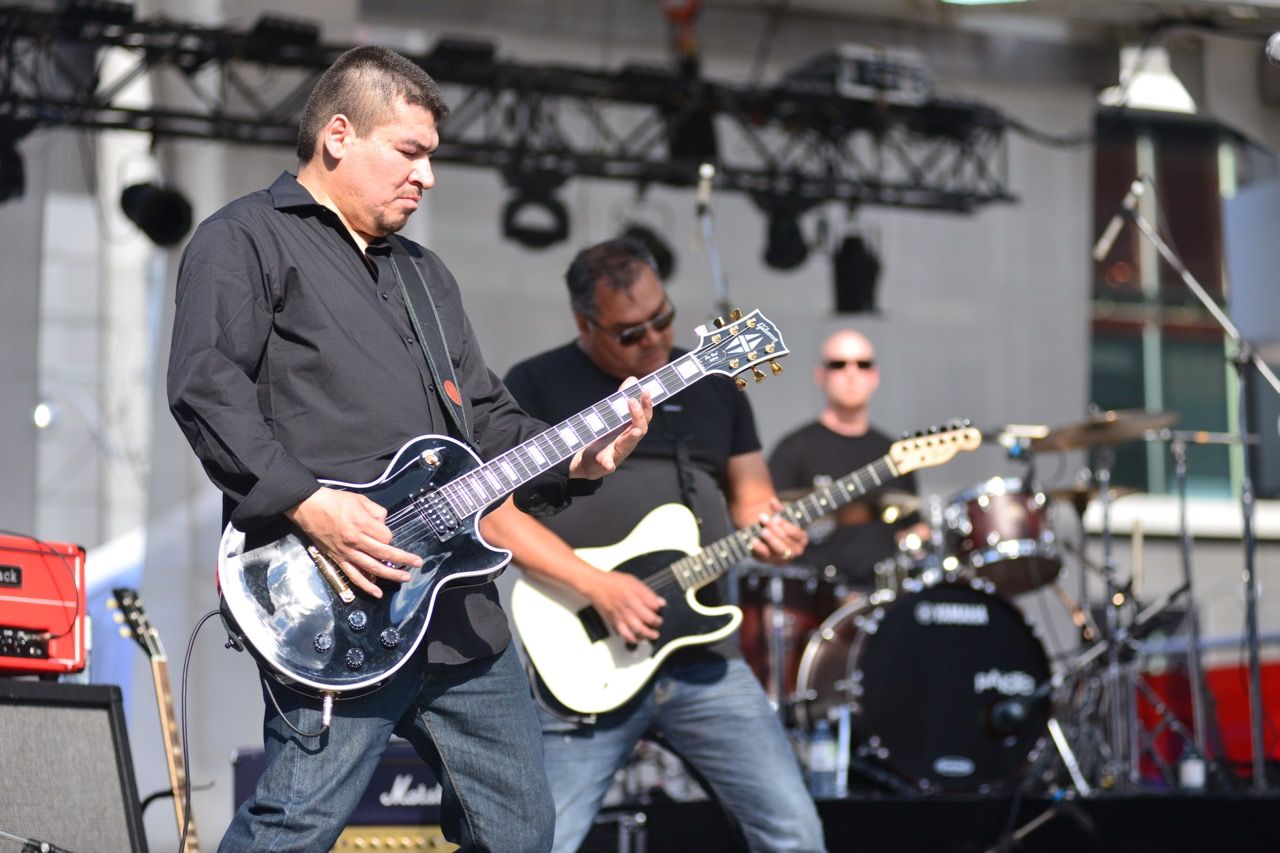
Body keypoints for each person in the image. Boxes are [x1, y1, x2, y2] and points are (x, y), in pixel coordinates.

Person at [166, 46, 651, 853]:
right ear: (339, 136)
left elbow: (486, 420)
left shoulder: (426, 275)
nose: (427, 176)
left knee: (521, 831)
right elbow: (205, 389)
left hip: (458, 612)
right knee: (294, 827)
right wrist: (307, 502)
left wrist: (577, 458)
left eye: (432, 156)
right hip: (334, 600)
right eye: (409, 151)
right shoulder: (244, 239)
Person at [480, 238, 826, 853]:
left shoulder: (712, 379)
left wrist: (775, 532)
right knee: (540, 842)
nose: (655, 341)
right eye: (631, 332)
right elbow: (494, 519)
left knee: (795, 833)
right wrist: (599, 587)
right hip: (585, 653)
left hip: (706, 654)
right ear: (585, 324)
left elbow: (754, 499)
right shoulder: (535, 383)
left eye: (663, 319)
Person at [768, 329, 926, 596]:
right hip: (814, 600)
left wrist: (919, 540)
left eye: (863, 364)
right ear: (820, 375)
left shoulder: (895, 453)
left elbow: (913, 526)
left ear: (875, 376)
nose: (851, 374)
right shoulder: (794, 449)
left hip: (884, 598)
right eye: (838, 364)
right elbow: (770, 527)